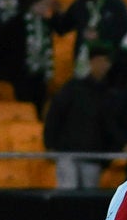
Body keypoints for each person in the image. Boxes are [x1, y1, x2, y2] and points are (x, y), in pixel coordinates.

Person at [43, 42, 120, 189]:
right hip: (67, 152)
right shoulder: (72, 88)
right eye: (98, 61)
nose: (101, 65)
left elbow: (111, 126)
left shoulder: (110, 94)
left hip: (93, 155)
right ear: (91, 62)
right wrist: (50, 143)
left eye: (105, 62)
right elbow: (54, 115)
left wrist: (108, 156)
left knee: (89, 194)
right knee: (67, 191)